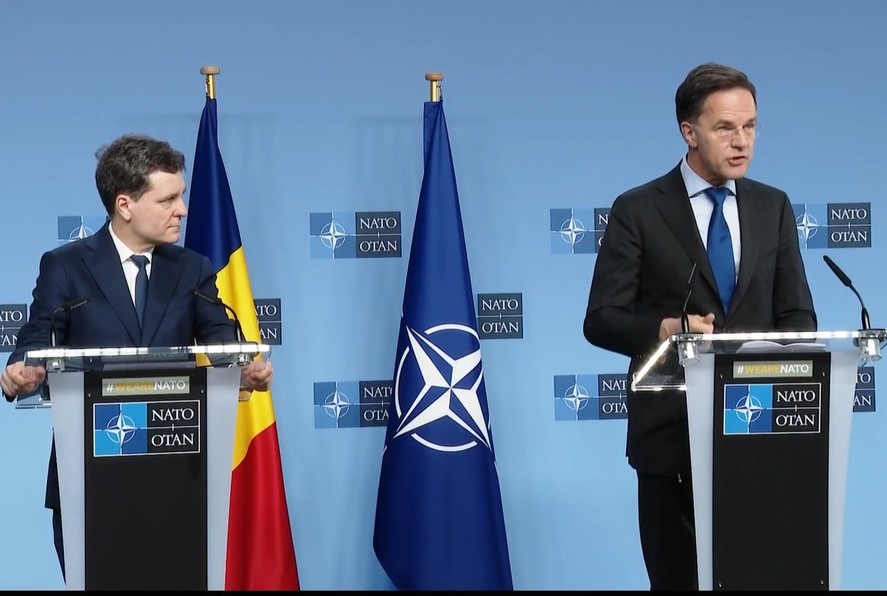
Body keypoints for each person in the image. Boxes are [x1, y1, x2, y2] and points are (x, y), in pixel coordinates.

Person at [583, 63, 816, 590]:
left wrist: (778, 358)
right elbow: (601, 320)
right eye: (725, 128)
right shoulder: (639, 210)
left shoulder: (773, 206)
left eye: (750, 126)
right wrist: (665, 329)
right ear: (689, 132)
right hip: (671, 440)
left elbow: (798, 315)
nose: (742, 141)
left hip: (760, 436)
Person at [0, 133, 273, 578]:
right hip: (90, 478)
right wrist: (23, 372)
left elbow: (222, 340)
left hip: (177, 477)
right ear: (124, 205)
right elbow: (36, 339)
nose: (182, 210)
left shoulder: (192, 268)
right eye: (167, 200)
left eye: (180, 196)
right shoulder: (66, 266)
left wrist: (245, 372)